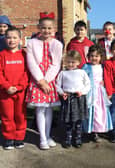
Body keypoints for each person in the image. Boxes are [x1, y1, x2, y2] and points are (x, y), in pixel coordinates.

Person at [25, 12, 63, 150]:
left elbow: (56, 64)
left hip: (50, 79)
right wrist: (40, 80)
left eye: (49, 28)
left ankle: (47, 135)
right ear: (39, 28)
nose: (46, 31)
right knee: (40, 109)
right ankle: (42, 138)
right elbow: (31, 62)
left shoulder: (57, 44)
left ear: (53, 29)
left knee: (49, 109)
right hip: (37, 79)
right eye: (44, 28)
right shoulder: (32, 43)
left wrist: (47, 80)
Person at [0, 27, 28, 150]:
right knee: (7, 115)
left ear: (20, 39)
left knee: (20, 115)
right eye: (9, 37)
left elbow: (27, 72)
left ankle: (19, 137)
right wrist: (6, 86)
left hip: (20, 92)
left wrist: (18, 87)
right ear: (5, 39)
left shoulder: (24, 55)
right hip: (5, 92)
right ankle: (8, 138)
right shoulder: (1, 55)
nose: (11, 40)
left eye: (14, 37)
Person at [56, 50, 90, 148]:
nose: (70, 64)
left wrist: (82, 92)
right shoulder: (63, 73)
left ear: (78, 62)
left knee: (78, 120)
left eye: (73, 62)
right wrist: (62, 93)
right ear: (65, 62)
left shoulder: (82, 72)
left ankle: (78, 138)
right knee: (68, 120)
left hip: (79, 98)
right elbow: (57, 85)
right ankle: (68, 138)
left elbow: (87, 85)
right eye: (68, 62)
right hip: (68, 99)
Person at [82, 45, 113, 142]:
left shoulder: (102, 67)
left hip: (100, 92)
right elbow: (82, 78)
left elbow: (106, 78)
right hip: (90, 92)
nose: (94, 58)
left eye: (96, 56)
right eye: (92, 56)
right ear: (88, 56)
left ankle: (98, 130)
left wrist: (104, 83)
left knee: (100, 111)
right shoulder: (86, 66)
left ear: (100, 57)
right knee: (91, 111)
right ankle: (90, 129)